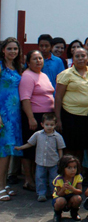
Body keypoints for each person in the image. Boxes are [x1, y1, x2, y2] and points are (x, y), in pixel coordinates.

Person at [19, 49, 55, 192]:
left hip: (46, 117)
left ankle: (37, 177)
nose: (38, 61)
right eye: (34, 59)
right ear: (28, 62)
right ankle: (28, 179)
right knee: (30, 148)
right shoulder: (27, 76)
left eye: (40, 58)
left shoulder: (44, 75)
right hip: (34, 116)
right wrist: (31, 118)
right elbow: (25, 98)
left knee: (41, 149)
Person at [56, 47, 88, 162]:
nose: (80, 59)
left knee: (84, 147)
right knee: (70, 147)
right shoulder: (65, 74)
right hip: (71, 115)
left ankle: (79, 175)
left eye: (83, 56)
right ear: (72, 59)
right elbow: (58, 97)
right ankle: (67, 173)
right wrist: (58, 119)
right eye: (77, 56)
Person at [13, 113, 65, 201]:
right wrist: (21, 147)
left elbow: (60, 149)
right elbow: (30, 143)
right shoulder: (38, 134)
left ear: (55, 125)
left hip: (53, 162)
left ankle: (55, 193)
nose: (49, 127)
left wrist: (61, 160)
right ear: (42, 124)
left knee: (54, 178)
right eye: (47, 125)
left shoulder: (57, 136)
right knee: (40, 178)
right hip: (40, 162)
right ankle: (41, 193)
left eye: (51, 125)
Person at [0, 37, 23, 201]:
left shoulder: (16, 66)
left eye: (15, 49)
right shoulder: (0, 66)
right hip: (3, 113)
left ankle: (4, 183)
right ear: (3, 50)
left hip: (14, 113)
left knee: (9, 150)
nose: (13, 52)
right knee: (3, 152)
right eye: (10, 49)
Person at [52, 155, 83, 222]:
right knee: (60, 201)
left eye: (75, 167)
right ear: (63, 168)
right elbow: (59, 194)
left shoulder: (78, 177)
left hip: (71, 196)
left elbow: (80, 191)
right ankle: (57, 214)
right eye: (69, 168)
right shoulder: (58, 179)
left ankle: (74, 212)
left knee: (78, 198)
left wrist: (72, 189)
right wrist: (63, 188)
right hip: (60, 197)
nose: (73, 170)